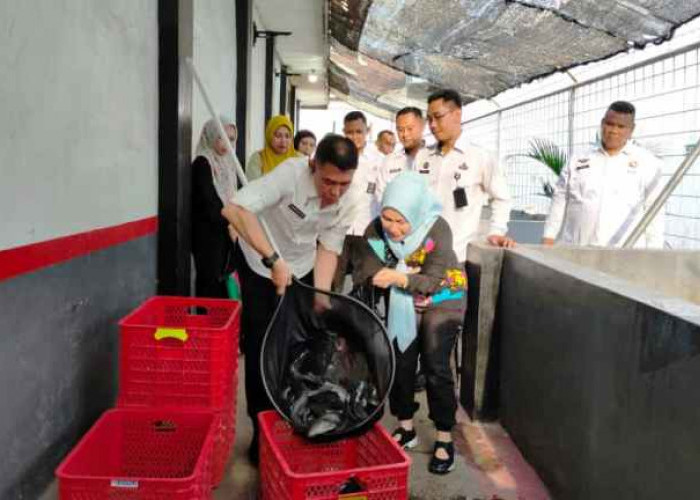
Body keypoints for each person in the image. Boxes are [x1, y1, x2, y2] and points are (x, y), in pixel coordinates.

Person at [221, 134, 359, 464]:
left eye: (343, 183)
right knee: (262, 348)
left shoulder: (350, 198)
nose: (335, 192)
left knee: (304, 346)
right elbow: (234, 209)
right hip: (261, 266)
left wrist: (321, 296)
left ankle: (298, 417)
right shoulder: (290, 175)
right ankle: (261, 429)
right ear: (313, 165)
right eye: (328, 182)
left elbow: (329, 247)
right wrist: (272, 259)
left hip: (303, 266)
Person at [353, 171, 467, 475]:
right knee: (400, 360)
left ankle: (444, 436)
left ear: (416, 213)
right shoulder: (375, 231)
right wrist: (390, 276)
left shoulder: (437, 228)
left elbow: (431, 280)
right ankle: (406, 428)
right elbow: (368, 268)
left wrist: (397, 277)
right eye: (387, 218)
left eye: (401, 221)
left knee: (435, 361)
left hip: (444, 295)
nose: (393, 228)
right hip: (404, 298)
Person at [542, 101, 665, 248]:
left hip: (623, 253)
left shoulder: (648, 163)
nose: (614, 130)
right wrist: (548, 238)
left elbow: (654, 211)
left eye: (621, 126)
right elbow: (559, 200)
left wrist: (654, 251)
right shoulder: (577, 159)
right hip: (575, 249)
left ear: (631, 130)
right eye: (610, 124)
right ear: (602, 124)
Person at [415, 89, 515, 263]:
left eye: (438, 117)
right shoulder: (423, 156)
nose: (432, 125)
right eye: (429, 119)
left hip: (457, 258)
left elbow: (502, 198)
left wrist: (496, 231)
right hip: (421, 256)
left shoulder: (480, 157)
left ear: (457, 114)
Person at [332, 111, 383, 291]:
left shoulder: (380, 161)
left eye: (359, 132)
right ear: (343, 132)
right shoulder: (335, 159)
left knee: (367, 283)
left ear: (367, 131)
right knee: (333, 281)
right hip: (338, 229)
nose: (354, 137)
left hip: (370, 231)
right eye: (349, 132)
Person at [191, 116, 238, 298]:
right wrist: (232, 222)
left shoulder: (228, 163)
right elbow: (209, 202)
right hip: (209, 236)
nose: (226, 143)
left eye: (231, 138)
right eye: (221, 137)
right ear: (210, 136)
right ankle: (208, 316)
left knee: (223, 283)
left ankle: (223, 316)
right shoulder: (203, 163)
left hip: (226, 231)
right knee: (210, 283)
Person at [376, 107, 426, 200]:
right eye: (400, 130)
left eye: (410, 128)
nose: (405, 134)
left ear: (422, 126)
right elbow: (381, 197)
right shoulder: (389, 162)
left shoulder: (438, 158)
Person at [247, 115, 298, 181]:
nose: (283, 141)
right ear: (269, 136)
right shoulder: (258, 158)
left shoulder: (299, 158)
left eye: (287, 136)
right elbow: (253, 185)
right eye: (278, 136)